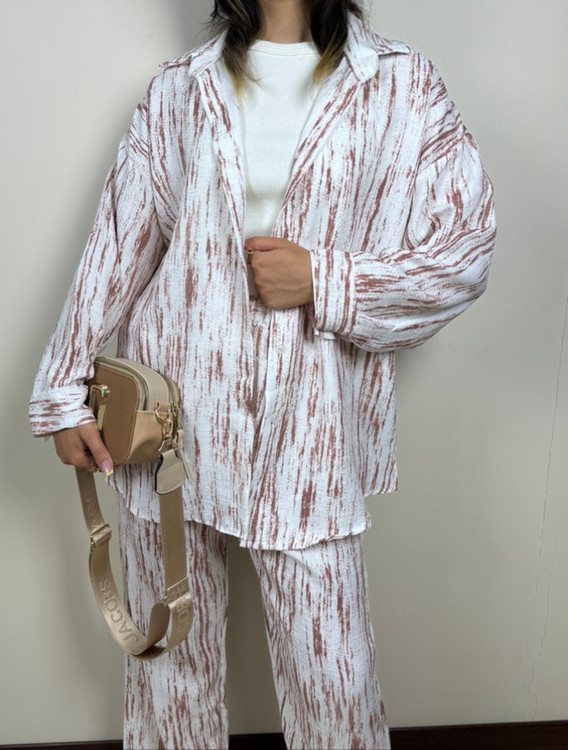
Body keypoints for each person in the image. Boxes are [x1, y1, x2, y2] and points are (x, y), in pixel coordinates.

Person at [30, 0, 496, 747]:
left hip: (310, 431)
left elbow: (463, 254)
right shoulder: (179, 88)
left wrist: (326, 281)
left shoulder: (402, 84)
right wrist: (63, 391)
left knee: (334, 684)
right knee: (171, 680)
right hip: (169, 422)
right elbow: (120, 242)